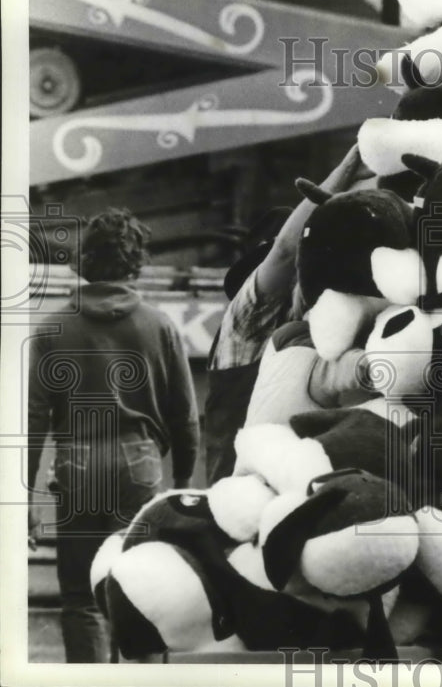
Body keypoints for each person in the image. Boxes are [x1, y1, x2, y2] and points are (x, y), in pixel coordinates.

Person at [27, 208, 200, 663]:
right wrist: (181, 492)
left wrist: (24, 498)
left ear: (84, 261)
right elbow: (185, 419)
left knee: (82, 598)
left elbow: (34, 422)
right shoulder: (160, 326)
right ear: (135, 262)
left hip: (79, 467)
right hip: (139, 464)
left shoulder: (52, 329)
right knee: (136, 590)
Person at [204, 146, 363, 483]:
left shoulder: (319, 324)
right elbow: (285, 252)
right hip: (245, 494)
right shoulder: (249, 321)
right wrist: (351, 164)